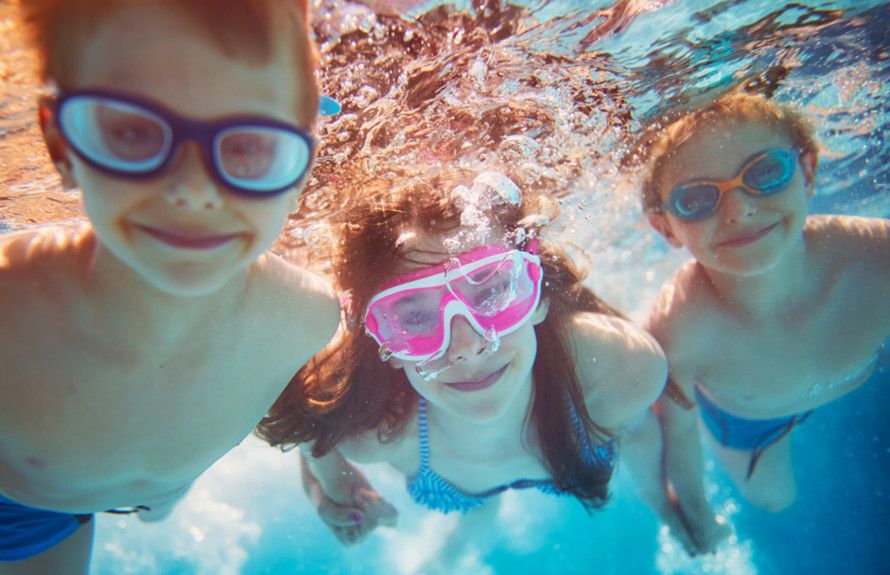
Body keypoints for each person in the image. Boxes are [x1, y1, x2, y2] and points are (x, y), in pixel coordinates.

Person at [0, 1, 340, 572]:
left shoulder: (311, 318)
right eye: (133, 132)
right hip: (21, 511)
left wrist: (328, 477)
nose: (192, 190)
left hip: (138, 496)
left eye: (248, 146)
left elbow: (314, 410)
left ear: (301, 170)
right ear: (61, 145)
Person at [257, 170, 668, 548]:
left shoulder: (621, 368)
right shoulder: (375, 436)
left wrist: (662, 498)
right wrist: (329, 484)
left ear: (538, 295)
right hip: (453, 476)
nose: (467, 347)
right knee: (474, 521)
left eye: (492, 292)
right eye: (415, 317)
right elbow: (313, 421)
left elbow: (639, 429)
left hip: (556, 431)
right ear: (383, 344)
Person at [635, 92, 890, 555]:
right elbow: (679, 437)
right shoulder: (677, 330)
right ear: (666, 227)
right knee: (773, 499)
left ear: (807, 172)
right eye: (697, 199)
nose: (739, 210)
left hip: (856, 380)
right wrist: (697, 517)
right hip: (750, 423)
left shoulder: (877, 257)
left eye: (765, 173)